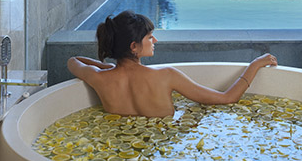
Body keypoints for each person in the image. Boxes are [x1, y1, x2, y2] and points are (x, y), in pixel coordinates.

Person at [67, 10, 277, 118]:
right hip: (163, 147)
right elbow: (227, 98)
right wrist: (255, 65)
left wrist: (109, 68)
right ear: (134, 46)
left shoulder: (97, 77)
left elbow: (73, 61)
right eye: (150, 37)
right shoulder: (166, 76)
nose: (155, 40)